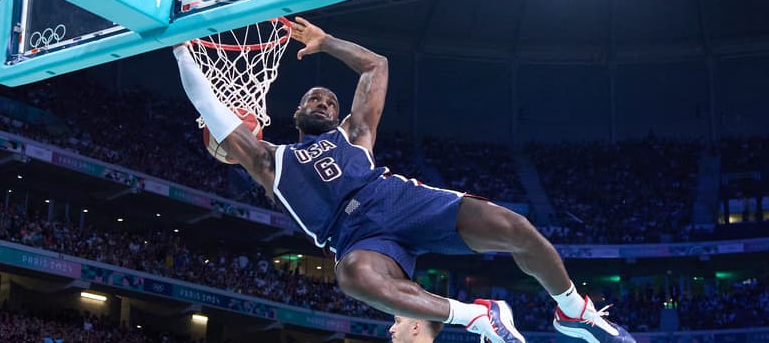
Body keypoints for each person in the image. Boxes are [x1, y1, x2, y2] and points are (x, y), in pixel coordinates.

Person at [172, 17, 636, 343]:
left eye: (331, 102)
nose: (324, 103)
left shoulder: (355, 134)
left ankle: (573, 311)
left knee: (514, 228)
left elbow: (377, 66)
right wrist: (178, 45)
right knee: (352, 276)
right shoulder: (270, 161)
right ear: (294, 114)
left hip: (396, 199)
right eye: (314, 100)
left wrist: (327, 41)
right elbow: (207, 104)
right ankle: (478, 316)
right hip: (355, 236)